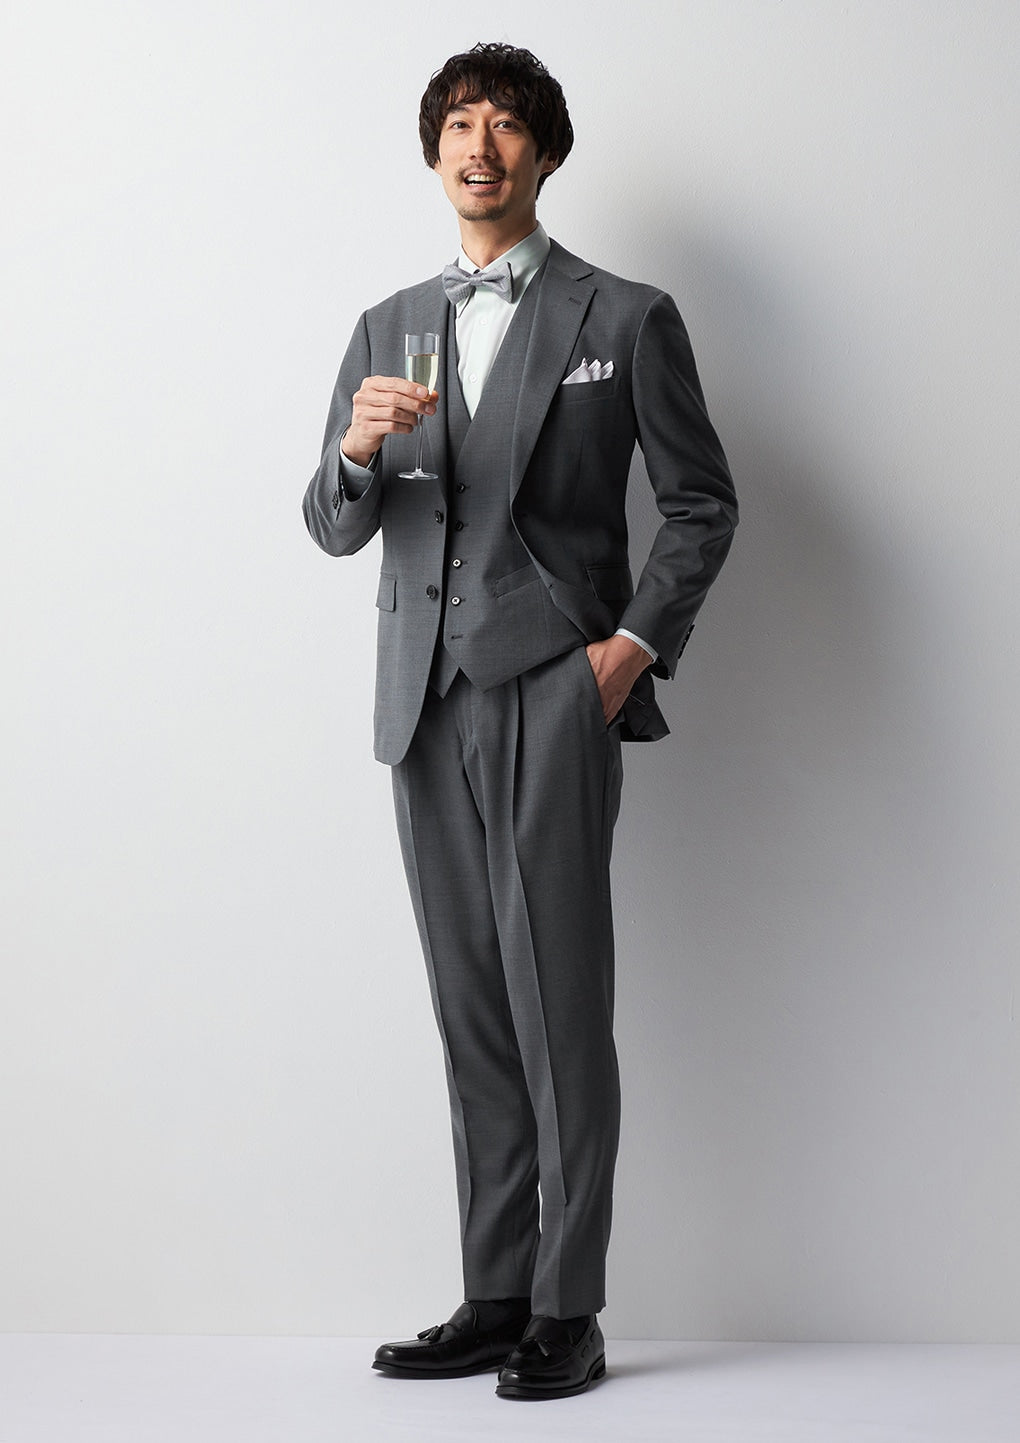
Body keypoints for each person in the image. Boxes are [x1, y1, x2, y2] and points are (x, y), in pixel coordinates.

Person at [302, 42, 737, 1401]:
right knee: (473, 1004)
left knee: (559, 1001)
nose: (477, 145)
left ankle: (570, 1305)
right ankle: (495, 1292)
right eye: (457, 124)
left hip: (555, 683)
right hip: (422, 700)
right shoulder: (386, 324)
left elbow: (701, 504)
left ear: (543, 152)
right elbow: (332, 524)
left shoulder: (627, 317)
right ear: (434, 153)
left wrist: (627, 652)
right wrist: (357, 450)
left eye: (502, 125)